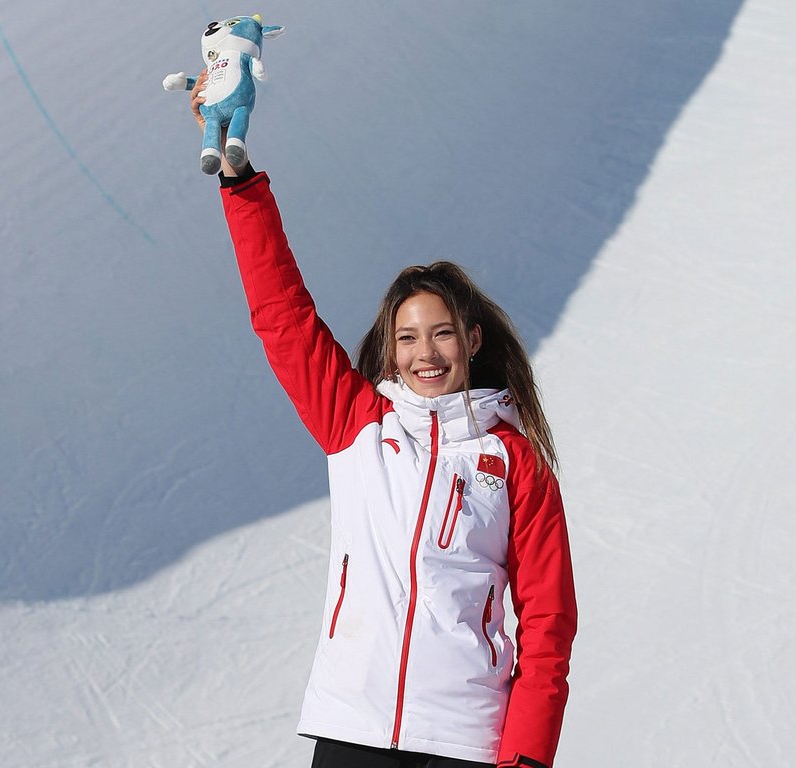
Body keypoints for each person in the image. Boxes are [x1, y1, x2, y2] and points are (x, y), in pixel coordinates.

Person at [191, 75, 577, 768]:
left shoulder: (516, 462)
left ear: (474, 339)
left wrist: (525, 759)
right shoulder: (358, 423)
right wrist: (240, 184)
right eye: (407, 338)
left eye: (442, 334)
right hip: (353, 728)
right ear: (390, 350)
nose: (425, 354)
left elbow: (549, 627)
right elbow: (282, 316)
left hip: (465, 738)